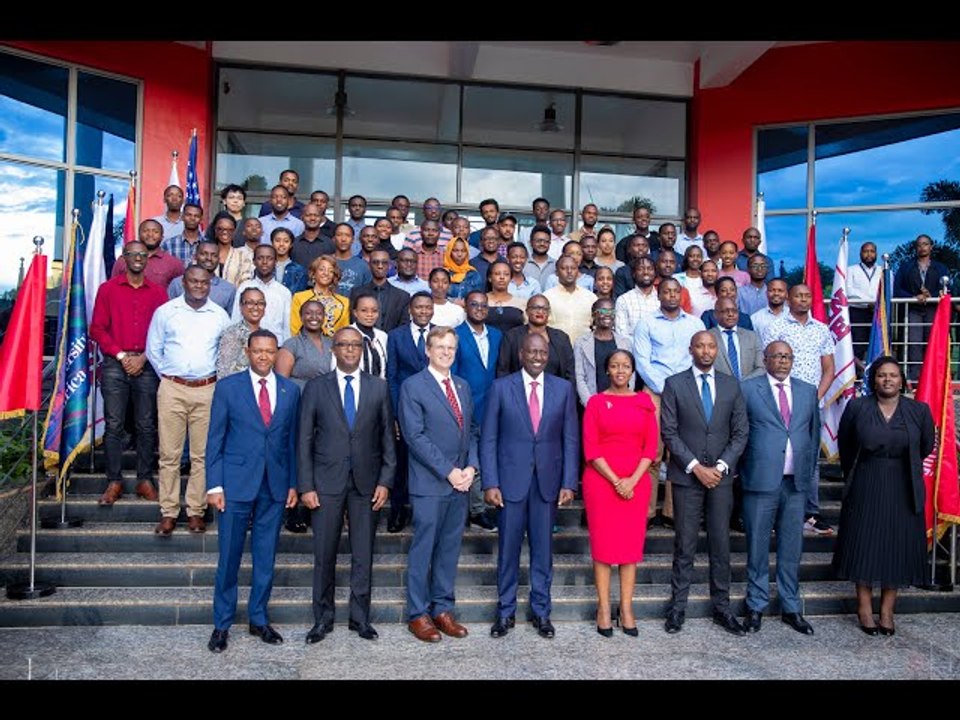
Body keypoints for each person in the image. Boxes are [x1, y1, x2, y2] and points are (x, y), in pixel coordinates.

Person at [298, 326, 397, 643]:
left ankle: (360, 619)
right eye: (344, 345)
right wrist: (306, 485)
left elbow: (387, 440)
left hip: (367, 484)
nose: (351, 350)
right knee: (324, 554)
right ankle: (322, 619)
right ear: (334, 350)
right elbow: (303, 440)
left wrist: (386, 480)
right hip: (325, 483)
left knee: (362, 554)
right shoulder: (315, 387)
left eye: (356, 345)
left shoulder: (379, 388)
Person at [205, 330, 299, 653]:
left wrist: (292, 483)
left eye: (269, 351)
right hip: (234, 486)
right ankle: (222, 624)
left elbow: (291, 441)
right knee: (229, 557)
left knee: (265, 556)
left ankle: (259, 618)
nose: (263, 356)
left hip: (274, 485)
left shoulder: (290, 390)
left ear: (277, 354)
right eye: (257, 351)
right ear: (247, 352)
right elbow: (214, 440)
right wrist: (214, 485)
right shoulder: (228, 388)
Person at [481, 333, 578, 639]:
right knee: (508, 551)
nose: (537, 357)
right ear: (521, 354)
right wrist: (490, 481)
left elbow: (570, 440)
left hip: (547, 484)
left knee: (543, 552)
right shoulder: (500, 387)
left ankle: (541, 612)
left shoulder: (563, 389)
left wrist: (569, 482)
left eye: (542, 352)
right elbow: (489, 439)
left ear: (547, 355)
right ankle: (505, 612)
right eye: (532, 351)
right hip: (509, 484)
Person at [832, 356, 934, 635]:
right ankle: (864, 607)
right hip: (866, 482)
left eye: (893, 375)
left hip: (904, 485)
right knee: (864, 544)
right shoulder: (857, 407)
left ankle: (887, 611)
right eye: (881, 375)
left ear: (902, 381)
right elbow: (847, 444)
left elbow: (925, 445)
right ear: (873, 379)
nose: (887, 380)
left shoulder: (919, 410)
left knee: (896, 548)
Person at [660, 331, 749, 635]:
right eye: (700, 345)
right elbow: (669, 432)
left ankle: (722, 609)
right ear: (691, 349)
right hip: (687, 477)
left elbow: (740, 433)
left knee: (721, 544)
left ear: (717, 349)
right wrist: (696, 467)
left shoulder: (731, 384)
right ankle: (677, 608)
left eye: (711, 346)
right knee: (684, 545)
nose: (706, 350)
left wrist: (721, 467)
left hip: (721, 480)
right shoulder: (674, 384)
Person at [398, 326, 479, 643]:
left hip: (460, 483)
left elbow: (472, 429)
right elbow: (414, 436)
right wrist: (449, 471)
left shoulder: (462, 385)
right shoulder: (413, 386)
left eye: (450, 348)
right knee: (423, 550)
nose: (446, 352)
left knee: (449, 549)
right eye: (440, 347)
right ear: (428, 350)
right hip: (431, 482)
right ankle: (418, 614)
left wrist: (471, 466)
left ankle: (442, 608)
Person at [740, 341, 820, 636]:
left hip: (795, 484)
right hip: (760, 481)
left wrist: (807, 472)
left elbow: (813, 435)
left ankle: (790, 606)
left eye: (787, 356)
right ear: (766, 359)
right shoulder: (748, 389)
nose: (783, 361)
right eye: (777, 356)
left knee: (791, 548)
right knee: (757, 547)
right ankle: (756, 605)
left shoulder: (807, 390)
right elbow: (740, 432)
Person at [146, 265, 231, 536]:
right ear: (184, 282)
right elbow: (153, 349)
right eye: (193, 281)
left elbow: (224, 354)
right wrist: (172, 377)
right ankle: (169, 512)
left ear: (210, 284)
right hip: (172, 387)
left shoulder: (219, 316)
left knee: (202, 455)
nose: (198, 286)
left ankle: (196, 511)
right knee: (169, 455)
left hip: (207, 389)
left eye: (204, 283)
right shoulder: (166, 311)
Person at [581, 350, 657, 636]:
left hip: (636, 484)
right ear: (607, 371)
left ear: (633, 371)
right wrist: (616, 481)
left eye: (626, 365)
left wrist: (632, 481)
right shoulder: (596, 402)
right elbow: (591, 448)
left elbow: (651, 448)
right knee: (603, 549)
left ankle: (626, 608)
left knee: (629, 550)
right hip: (602, 483)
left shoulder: (644, 402)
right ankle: (603, 608)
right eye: (615, 366)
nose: (620, 370)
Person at [90, 241, 167, 506]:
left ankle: (145, 479)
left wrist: (144, 356)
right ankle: (114, 480)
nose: (138, 259)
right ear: (124, 259)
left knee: (146, 425)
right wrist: (122, 356)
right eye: (132, 254)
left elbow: (163, 332)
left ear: (147, 259)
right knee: (114, 425)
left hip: (146, 364)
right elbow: (97, 329)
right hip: (115, 363)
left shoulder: (158, 293)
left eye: (142, 255)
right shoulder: (108, 290)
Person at [633, 278, 707, 529]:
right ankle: (646, 512)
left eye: (676, 291)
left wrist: (680, 388)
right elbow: (642, 361)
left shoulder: (695, 324)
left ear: (681, 295)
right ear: (659, 295)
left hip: (686, 393)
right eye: (667, 291)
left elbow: (696, 358)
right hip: (654, 393)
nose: (672, 295)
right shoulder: (647, 323)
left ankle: (672, 513)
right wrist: (666, 388)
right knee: (651, 454)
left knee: (680, 454)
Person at [763, 283, 835, 535]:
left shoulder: (822, 330)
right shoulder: (777, 328)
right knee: (778, 454)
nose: (803, 300)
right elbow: (768, 364)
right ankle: (776, 513)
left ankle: (810, 513)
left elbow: (828, 369)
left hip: (812, 405)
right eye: (798, 296)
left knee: (810, 460)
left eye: (807, 296)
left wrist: (814, 398)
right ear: (789, 299)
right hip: (781, 401)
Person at [452, 291, 503, 531]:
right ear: (465, 307)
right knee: (467, 458)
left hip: (493, 406)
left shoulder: (497, 335)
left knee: (486, 457)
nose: (480, 309)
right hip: (466, 405)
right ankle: (470, 510)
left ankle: (480, 508)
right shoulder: (457, 336)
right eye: (474, 304)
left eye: (484, 305)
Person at [385, 292, 435, 533]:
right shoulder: (396, 336)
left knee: (430, 463)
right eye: (419, 307)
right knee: (402, 463)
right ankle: (397, 512)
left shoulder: (441, 334)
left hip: (435, 411)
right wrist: (396, 413)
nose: (424, 311)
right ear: (410, 311)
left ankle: (425, 516)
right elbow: (392, 376)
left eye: (428, 307)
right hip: (406, 409)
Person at [893, 234, 950, 382]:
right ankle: (915, 379)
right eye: (919, 245)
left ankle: (934, 378)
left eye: (925, 244)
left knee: (933, 342)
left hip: (933, 309)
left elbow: (948, 289)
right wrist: (914, 297)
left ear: (931, 247)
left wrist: (934, 295)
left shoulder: (940, 268)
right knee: (914, 343)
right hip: (913, 309)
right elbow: (897, 289)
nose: (922, 247)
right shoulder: (906, 267)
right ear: (915, 248)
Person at [497, 295, 575, 382]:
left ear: (549, 313)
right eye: (535, 308)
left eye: (545, 309)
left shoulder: (562, 338)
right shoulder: (512, 336)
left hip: (556, 392)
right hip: (518, 392)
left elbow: (570, 372)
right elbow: (503, 370)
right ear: (527, 311)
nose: (540, 311)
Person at [573, 298, 633, 407]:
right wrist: (591, 405)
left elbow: (631, 375)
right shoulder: (581, 343)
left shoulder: (625, 343)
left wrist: (625, 400)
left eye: (611, 312)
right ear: (594, 315)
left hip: (621, 404)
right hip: (592, 404)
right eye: (603, 311)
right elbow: (579, 377)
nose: (607, 315)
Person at [231, 244, 292, 344]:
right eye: (260, 258)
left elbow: (287, 327)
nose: (264, 262)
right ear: (254, 261)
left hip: (276, 347)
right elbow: (236, 319)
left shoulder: (284, 292)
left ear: (275, 262)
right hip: (247, 346)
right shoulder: (244, 288)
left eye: (269, 258)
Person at [275, 300, 335, 390]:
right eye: (308, 313)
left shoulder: (332, 343)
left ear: (324, 317)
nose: (314, 317)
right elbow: (281, 383)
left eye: (319, 313)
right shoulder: (292, 344)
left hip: (328, 398)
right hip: (300, 398)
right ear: (301, 317)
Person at [349, 248, 411, 333]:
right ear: (369, 265)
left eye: (384, 263)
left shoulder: (402, 296)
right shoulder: (356, 293)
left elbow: (403, 327)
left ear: (389, 266)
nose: (380, 266)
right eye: (375, 262)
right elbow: (353, 322)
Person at [111, 219, 184, 289]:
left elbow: (179, 290)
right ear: (139, 235)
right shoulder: (124, 260)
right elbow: (112, 287)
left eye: (155, 232)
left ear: (162, 237)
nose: (150, 234)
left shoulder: (174, 263)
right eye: (146, 231)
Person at [167, 240, 236, 313]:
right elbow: (167, 312)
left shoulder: (229, 289)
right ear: (195, 256)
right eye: (204, 254)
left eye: (214, 255)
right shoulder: (178, 283)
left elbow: (231, 321)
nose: (209, 258)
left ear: (219, 259)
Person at [290, 255, 350, 337]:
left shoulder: (344, 302)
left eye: (331, 271)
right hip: (305, 347)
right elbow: (295, 329)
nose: (326, 273)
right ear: (313, 273)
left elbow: (345, 333)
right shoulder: (300, 298)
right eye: (322, 269)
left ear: (334, 276)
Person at [709, 298, 766, 380]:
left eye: (734, 311)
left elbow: (761, 367)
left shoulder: (752, 337)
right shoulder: (708, 337)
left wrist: (743, 383)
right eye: (725, 311)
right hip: (719, 389)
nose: (731, 314)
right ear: (715, 314)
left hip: (748, 388)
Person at [217, 287, 265, 379]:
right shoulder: (231, 334)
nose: (255, 307)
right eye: (250, 303)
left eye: (260, 303)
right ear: (241, 306)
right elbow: (223, 374)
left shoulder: (265, 335)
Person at [845, 242, 881, 363]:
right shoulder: (851, 270)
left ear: (876, 253)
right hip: (857, 312)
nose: (869, 254)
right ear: (860, 253)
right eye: (866, 251)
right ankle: (855, 375)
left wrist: (874, 303)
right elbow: (848, 290)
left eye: (872, 251)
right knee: (857, 346)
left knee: (877, 344)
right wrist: (868, 301)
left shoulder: (883, 271)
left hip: (878, 313)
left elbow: (889, 290)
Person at [349, 291, 388, 379]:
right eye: (364, 310)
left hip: (379, 388)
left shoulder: (382, 336)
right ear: (355, 312)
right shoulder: (346, 334)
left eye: (374, 311)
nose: (369, 315)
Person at [485, 260, 527, 335]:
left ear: (511, 278)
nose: (502, 277)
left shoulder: (521, 303)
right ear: (490, 278)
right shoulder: (481, 301)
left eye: (506, 274)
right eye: (497, 274)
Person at [212, 216, 254, 288]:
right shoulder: (207, 254)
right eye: (220, 229)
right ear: (215, 231)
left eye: (230, 230)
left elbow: (246, 281)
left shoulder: (243, 256)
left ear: (234, 232)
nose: (225, 232)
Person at [444, 237, 483, 304]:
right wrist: (453, 301)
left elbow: (478, 299)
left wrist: (466, 302)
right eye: (455, 250)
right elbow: (437, 297)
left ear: (467, 253)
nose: (459, 254)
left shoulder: (473, 274)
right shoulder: (442, 274)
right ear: (449, 252)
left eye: (463, 251)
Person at [271, 227, 308, 295]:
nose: (281, 244)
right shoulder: (266, 267)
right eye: (277, 240)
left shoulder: (299, 270)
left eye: (286, 241)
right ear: (272, 243)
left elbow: (299, 296)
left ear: (291, 244)